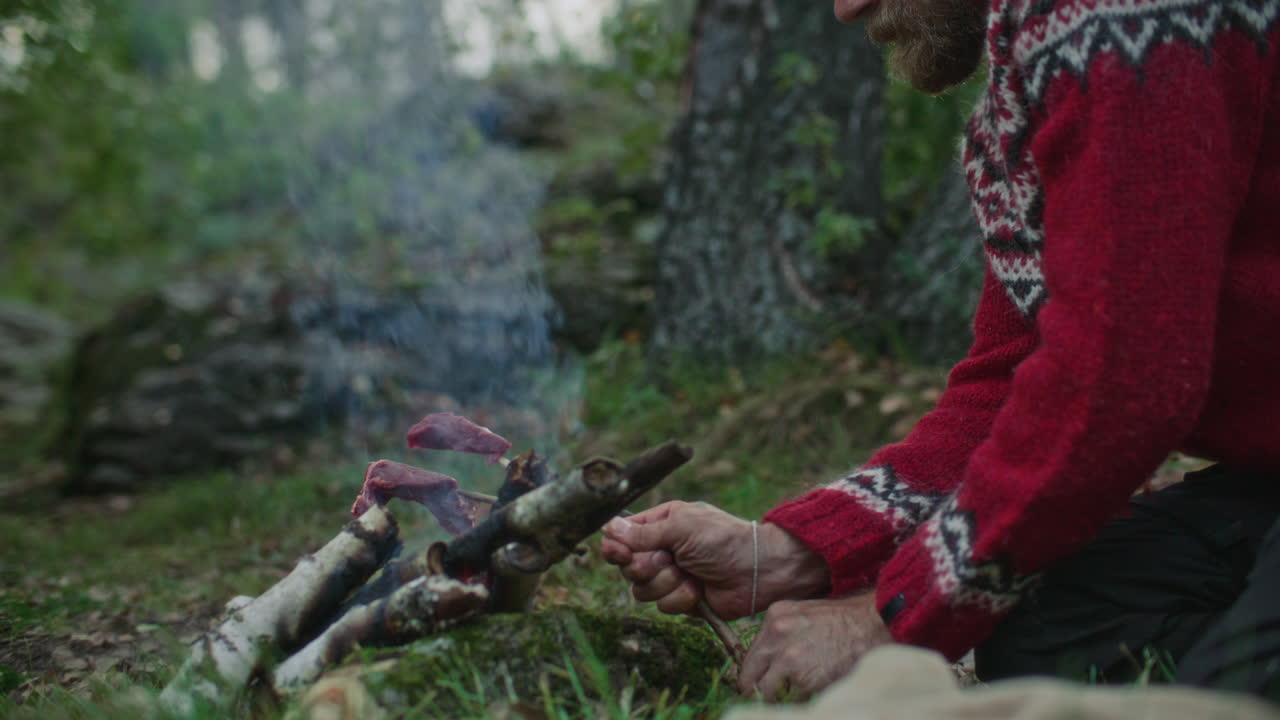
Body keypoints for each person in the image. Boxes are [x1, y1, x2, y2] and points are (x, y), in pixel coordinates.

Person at [603, 0, 1280, 703]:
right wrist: (789, 552)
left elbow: (1122, 382)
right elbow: (1015, 379)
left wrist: (889, 618)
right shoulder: (1023, 96)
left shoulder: (1103, 11)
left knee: (1225, 693)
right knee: (1043, 625)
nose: (846, 9)